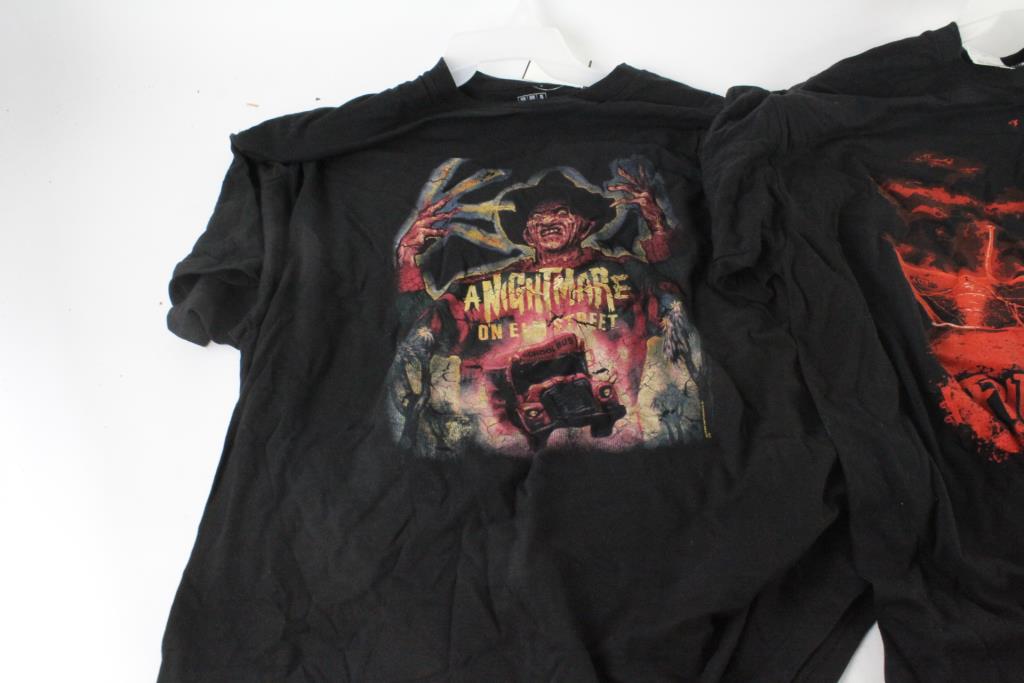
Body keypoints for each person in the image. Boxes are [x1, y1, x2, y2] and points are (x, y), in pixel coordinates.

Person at [387, 158, 707, 457]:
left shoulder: (626, 274)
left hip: (621, 455)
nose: (548, 221)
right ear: (527, 235)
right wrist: (408, 259)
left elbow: (682, 300)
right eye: (537, 218)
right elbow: (416, 333)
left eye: (561, 212)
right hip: (502, 460)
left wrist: (658, 227)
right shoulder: (479, 290)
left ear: (586, 226)